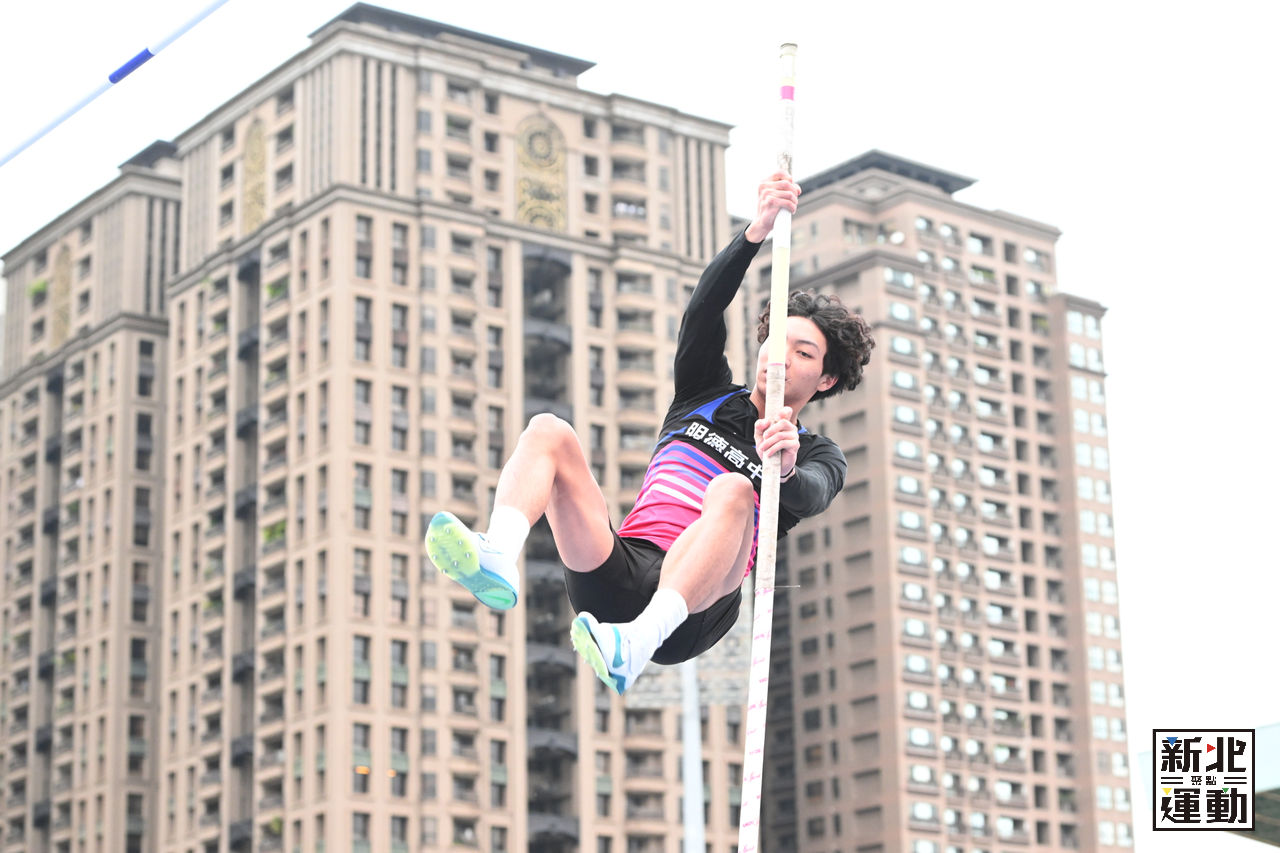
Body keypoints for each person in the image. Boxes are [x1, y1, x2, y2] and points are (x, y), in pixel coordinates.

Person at [425, 172, 875, 694]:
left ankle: (637, 643)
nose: (783, 357)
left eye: (803, 353)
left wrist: (787, 466)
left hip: (692, 611)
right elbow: (703, 311)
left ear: (826, 379)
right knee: (549, 431)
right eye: (778, 341)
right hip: (616, 572)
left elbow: (813, 493)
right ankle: (499, 554)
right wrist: (756, 232)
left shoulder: (818, 452)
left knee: (734, 488)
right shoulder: (703, 394)